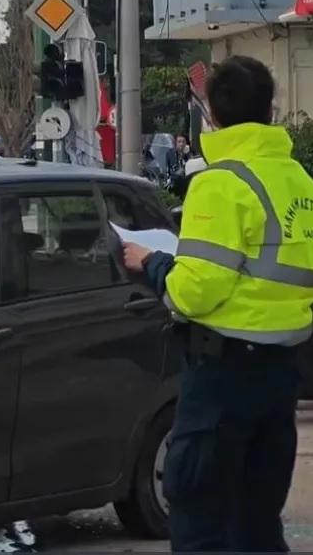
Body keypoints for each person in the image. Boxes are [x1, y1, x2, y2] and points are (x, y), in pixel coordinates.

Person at [122, 55, 313, 552]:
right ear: (271, 110)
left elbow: (193, 292)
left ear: (212, 114)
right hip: (281, 375)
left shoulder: (220, 184)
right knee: (257, 521)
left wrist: (152, 263)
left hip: (223, 375)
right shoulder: (300, 183)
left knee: (199, 512)